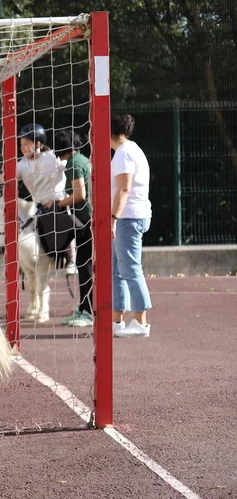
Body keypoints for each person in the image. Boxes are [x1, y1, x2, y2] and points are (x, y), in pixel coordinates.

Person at [110, 114, 153, 338]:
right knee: (117, 269)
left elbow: (124, 188)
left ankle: (141, 322)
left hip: (127, 218)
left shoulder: (124, 153)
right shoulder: (130, 149)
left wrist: (113, 217)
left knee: (130, 269)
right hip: (129, 217)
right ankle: (117, 320)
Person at [51, 130, 94, 327]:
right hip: (88, 219)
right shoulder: (83, 159)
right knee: (84, 264)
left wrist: (58, 204)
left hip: (86, 221)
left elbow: (79, 195)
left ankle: (87, 311)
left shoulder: (74, 164)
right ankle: (85, 307)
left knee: (84, 265)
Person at [0, 123, 67, 207]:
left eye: (26, 144)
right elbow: (2, 177)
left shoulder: (53, 157)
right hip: (41, 209)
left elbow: (71, 163)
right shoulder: (23, 165)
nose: (23, 148)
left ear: (38, 144)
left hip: (60, 207)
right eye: (21, 145)